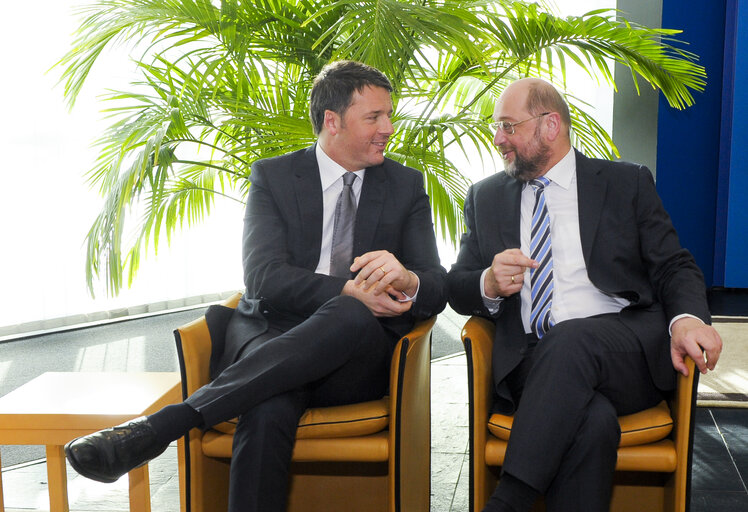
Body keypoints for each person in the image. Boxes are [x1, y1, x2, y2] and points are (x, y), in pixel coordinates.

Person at [64, 60, 447, 511]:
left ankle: (165, 426)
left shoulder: (405, 185)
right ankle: (169, 426)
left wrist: (408, 279)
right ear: (332, 121)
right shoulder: (276, 177)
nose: (388, 128)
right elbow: (263, 276)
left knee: (349, 312)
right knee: (268, 405)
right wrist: (345, 290)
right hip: (272, 338)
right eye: (374, 117)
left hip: (353, 360)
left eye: (389, 115)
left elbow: (438, 287)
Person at [446, 77, 722, 512]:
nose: (498, 138)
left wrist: (687, 318)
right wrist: (488, 283)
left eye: (508, 126)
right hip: (533, 363)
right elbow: (456, 285)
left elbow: (674, 264)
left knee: (573, 337)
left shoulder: (624, 182)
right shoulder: (486, 197)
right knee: (592, 424)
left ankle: (509, 501)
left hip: (624, 351)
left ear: (550, 126)